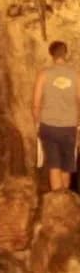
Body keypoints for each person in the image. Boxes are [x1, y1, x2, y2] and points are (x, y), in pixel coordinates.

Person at [33, 41, 80, 192]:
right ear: (65, 53)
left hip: (49, 126)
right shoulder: (75, 76)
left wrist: (37, 123)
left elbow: (36, 103)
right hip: (69, 127)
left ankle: (57, 202)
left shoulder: (44, 75)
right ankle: (65, 201)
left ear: (51, 55)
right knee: (66, 166)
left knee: (54, 165)